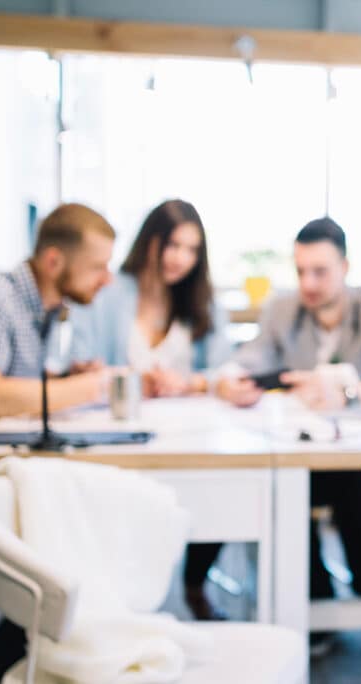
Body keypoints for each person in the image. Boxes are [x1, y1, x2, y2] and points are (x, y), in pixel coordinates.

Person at [217, 216, 361, 660]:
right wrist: (231, 382)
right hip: (305, 450)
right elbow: (247, 360)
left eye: (320, 271)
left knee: (356, 486)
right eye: (301, 270)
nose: (308, 282)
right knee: (288, 486)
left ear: (345, 266)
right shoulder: (282, 310)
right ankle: (318, 602)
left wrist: (343, 392)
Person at [0, 202, 116, 681]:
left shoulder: (45, 310)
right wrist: (90, 387)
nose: (106, 279)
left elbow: (15, 380)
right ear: (53, 261)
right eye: (97, 267)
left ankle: (25, 644)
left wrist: (64, 376)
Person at [69, 198, 232, 621]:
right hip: (120, 435)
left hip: (188, 435)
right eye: (174, 245)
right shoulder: (107, 292)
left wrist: (189, 382)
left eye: (192, 249)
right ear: (151, 241)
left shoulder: (203, 302)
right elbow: (82, 363)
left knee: (223, 486)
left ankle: (195, 585)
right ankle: (119, 605)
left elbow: (222, 372)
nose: (182, 258)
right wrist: (129, 380)